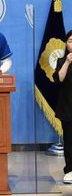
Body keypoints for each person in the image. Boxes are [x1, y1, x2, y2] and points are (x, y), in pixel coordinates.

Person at [53, 30, 72, 184]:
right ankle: (70, 170)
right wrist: (67, 62)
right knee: (69, 141)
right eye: (71, 41)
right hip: (68, 107)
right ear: (66, 43)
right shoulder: (61, 61)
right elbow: (59, 79)